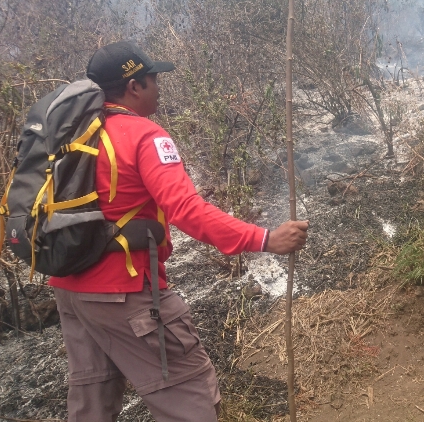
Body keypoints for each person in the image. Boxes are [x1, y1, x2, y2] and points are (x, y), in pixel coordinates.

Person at [49, 40, 309, 421]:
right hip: (125, 292)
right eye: (153, 78)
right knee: (191, 398)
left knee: (91, 406)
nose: (159, 86)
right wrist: (266, 239)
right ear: (134, 86)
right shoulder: (145, 136)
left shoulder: (74, 136)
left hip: (70, 291)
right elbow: (187, 210)